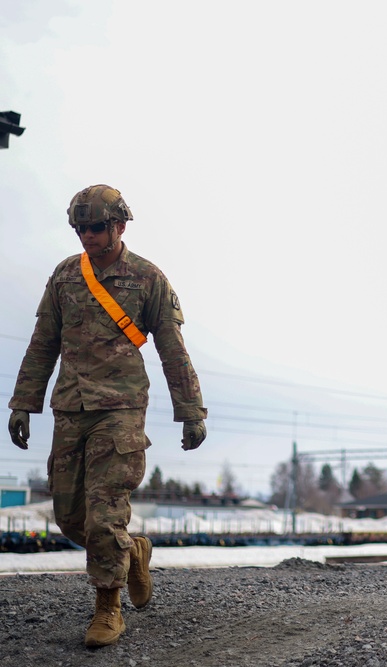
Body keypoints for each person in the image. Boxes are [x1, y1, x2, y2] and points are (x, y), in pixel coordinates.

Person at [6, 184, 207, 648]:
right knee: (69, 514)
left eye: (95, 227)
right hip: (70, 408)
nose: (87, 236)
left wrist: (190, 411)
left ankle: (107, 607)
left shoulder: (147, 278)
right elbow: (42, 344)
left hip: (120, 410)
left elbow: (173, 350)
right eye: (79, 228)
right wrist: (23, 402)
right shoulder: (63, 277)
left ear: (119, 224)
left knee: (104, 515)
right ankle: (134, 553)